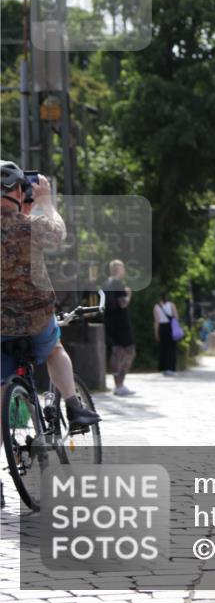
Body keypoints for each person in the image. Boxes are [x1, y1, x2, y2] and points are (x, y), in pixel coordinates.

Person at [0, 162, 101, 427]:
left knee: (2, 396)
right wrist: (47, 202)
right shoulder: (30, 225)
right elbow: (59, 234)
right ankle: (73, 406)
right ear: (20, 193)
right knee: (55, 350)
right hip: (37, 320)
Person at [103, 259, 137, 396]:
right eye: (122, 268)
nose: (124, 271)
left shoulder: (107, 283)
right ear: (117, 269)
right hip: (122, 324)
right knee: (130, 351)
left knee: (116, 351)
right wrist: (128, 295)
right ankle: (120, 384)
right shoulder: (118, 284)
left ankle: (117, 385)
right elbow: (123, 304)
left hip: (111, 323)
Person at [153, 294, 180, 375]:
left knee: (163, 348)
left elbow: (156, 321)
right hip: (170, 327)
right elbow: (176, 317)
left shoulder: (156, 307)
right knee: (171, 348)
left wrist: (156, 333)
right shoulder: (171, 305)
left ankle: (163, 368)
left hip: (162, 328)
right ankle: (171, 368)